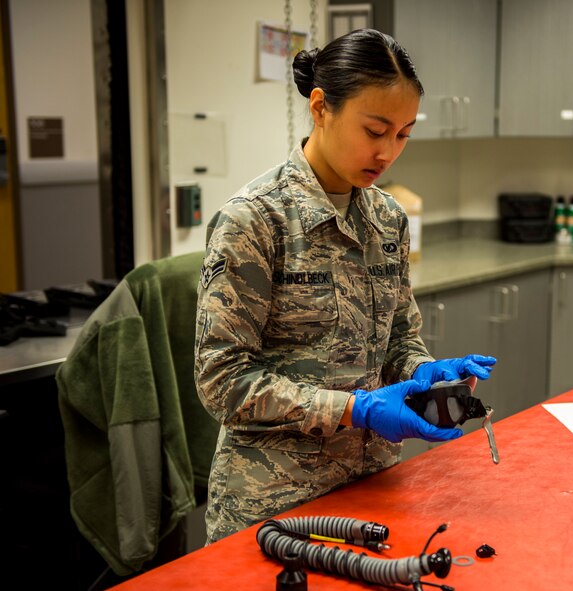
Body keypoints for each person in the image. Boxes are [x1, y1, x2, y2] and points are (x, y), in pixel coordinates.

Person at [194, 28, 496, 543]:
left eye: (403, 135)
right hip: (275, 507)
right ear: (320, 108)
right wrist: (357, 410)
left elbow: (398, 338)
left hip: (373, 490)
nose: (388, 152)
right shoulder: (255, 220)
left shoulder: (387, 219)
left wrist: (423, 372)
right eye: (375, 130)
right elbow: (221, 381)